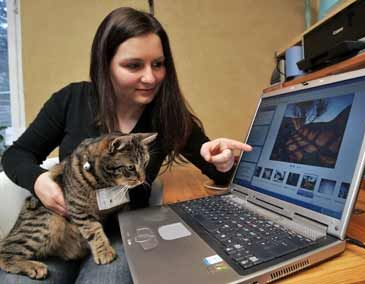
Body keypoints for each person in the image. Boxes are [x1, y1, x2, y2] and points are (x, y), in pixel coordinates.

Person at [0, 7, 251, 284]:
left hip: (122, 232)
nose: (151, 77)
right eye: (134, 66)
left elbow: (220, 173)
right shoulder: (71, 99)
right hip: (62, 229)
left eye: (158, 64)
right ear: (105, 62)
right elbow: (16, 155)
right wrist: (38, 182)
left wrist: (223, 162)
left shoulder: (167, 115)